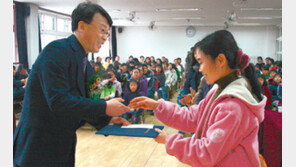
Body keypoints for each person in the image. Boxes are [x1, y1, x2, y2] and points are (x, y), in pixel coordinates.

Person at [13, 2, 130, 167]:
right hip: (37, 147)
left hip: (62, 145)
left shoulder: (85, 63)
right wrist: (105, 108)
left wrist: (108, 119)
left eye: (107, 33)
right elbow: (59, 101)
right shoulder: (56, 51)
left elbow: (90, 99)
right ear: (82, 26)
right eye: (102, 30)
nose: (105, 37)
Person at [129, 30, 266, 167]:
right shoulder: (218, 90)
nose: (200, 69)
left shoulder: (234, 106)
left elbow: (206, 152)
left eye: (201, 62)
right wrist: (157, 106)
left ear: (220, 60)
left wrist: (169, 140)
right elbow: (194, 117)